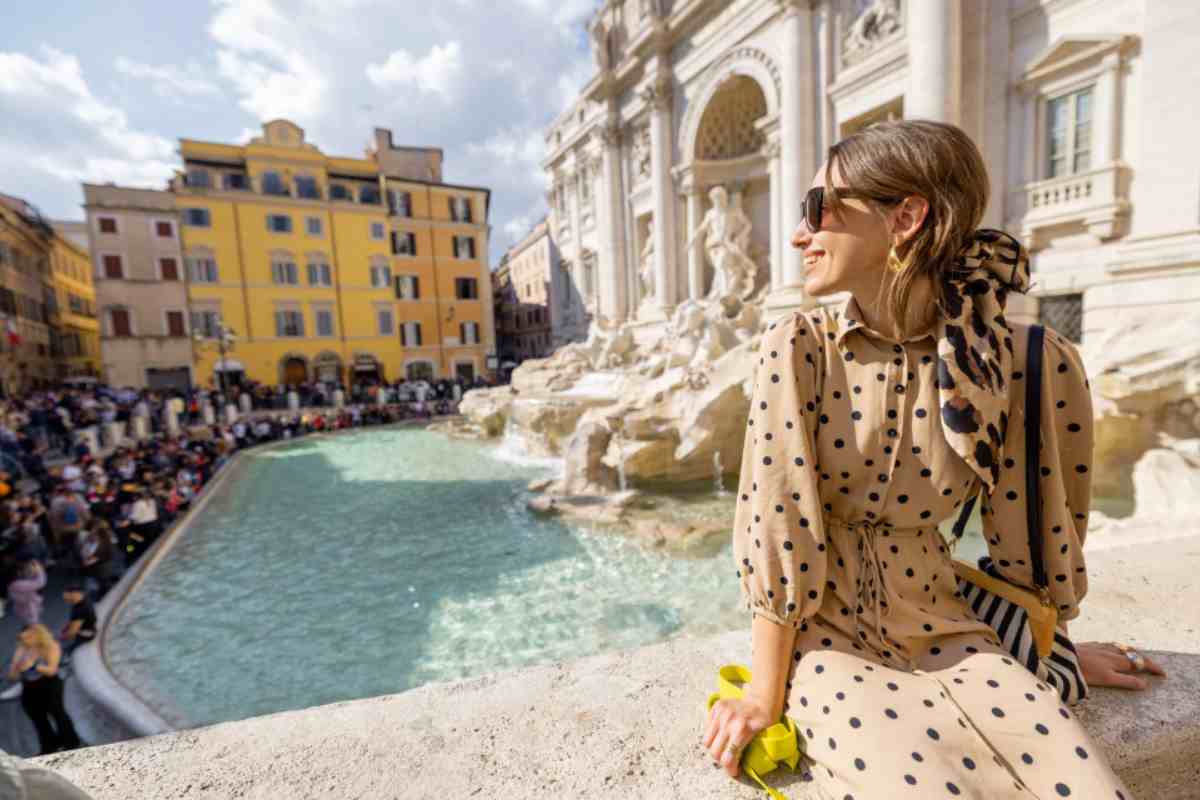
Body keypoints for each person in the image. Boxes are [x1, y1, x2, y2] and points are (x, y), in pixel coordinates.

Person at [703, 120, 1158, 798]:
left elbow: (1031, 531)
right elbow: (780, 528)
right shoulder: (798, 347)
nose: (799, 234)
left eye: (817, 207)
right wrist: (763, 697)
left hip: (957, 626)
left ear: (906, 218)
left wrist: (1050, 653)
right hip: (827, 638)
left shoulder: (1021, 359)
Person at [6, 624, 82, 755]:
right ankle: (49, 746)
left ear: (38, 635)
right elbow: (12, 677)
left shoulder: (51, 646)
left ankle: (71, 742)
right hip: (29, 687)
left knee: (58, 713)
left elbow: (52, 670)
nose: (26, 641)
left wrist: (34, 666)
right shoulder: (22, 649)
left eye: (29, 637)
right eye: (23, 638)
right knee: (38, 719)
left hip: (49, 684)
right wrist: (15, 665)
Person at [59, 584, 97, 659]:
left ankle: (64, 658)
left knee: (59, 646)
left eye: (68, 599)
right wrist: (67, 626)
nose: (68, 602)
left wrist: (62, 637)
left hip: (84, 635)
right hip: (89, 630)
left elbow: (72, 632)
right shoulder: (85, 599)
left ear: (74, 594)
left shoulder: (80, 609)